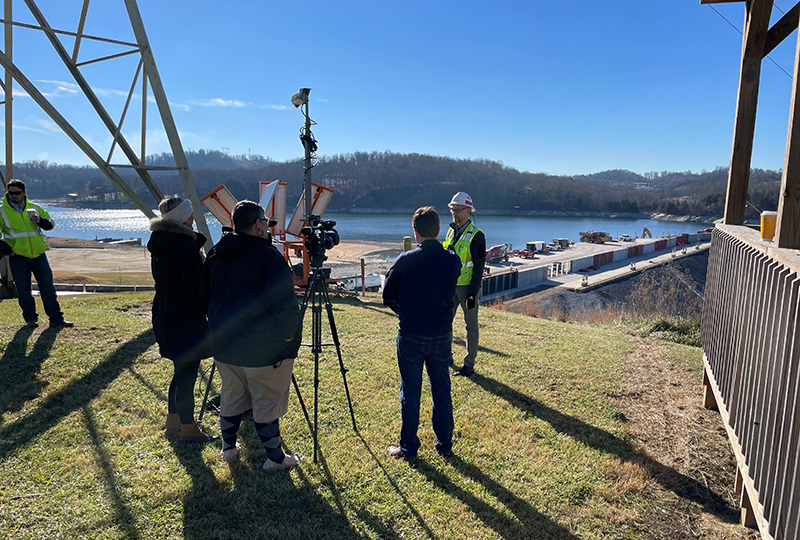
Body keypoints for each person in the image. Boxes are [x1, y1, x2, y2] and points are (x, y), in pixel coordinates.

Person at [201, 200, 303, 470]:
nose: (268, 228)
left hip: (224, 345)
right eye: (266, 222)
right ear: (258, 226)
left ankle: (229, 448)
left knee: (232, 396)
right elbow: (285, 304)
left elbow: (204, 297)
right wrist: (288, 338)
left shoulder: (215, 254)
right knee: (267, 400)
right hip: (262, 349)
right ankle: (275, 458)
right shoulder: (267, 256)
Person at [383, 206, 461, 459]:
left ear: (415, 232)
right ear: (438, 230)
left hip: (412, 333)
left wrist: (404, 310)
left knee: (411, 391)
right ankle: (445, 444)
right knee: (441, 388)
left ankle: (408, 448)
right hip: (441, 333)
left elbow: (387, 296)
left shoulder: (405, 261)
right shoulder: (452, 260)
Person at [148, 196, 216, 443]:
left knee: (180, 370)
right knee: (187, 372)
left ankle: (173, 422)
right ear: (185, 218)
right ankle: (189, 428)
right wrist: (208, 306)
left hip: (165, 311)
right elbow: (193, 288)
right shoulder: (185, 247)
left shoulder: (160, 242)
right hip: (184, 316)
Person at [0, 179, 72, 328]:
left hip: (39, 255)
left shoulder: (35, 208)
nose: (13, 195)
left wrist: (39, 221)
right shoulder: (2, 211)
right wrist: (9, 251)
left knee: (48, 288)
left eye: (17, 193)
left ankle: (56, 319)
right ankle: (31, 319)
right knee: (24, 290)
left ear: (24, 193)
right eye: (11, 193)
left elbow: (50, 224)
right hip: (18, 257)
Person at [442, 191, 485, 377]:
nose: (454, 213)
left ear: (468, 211)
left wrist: (472, 293)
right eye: (452, 210)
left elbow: (478, 267)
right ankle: (446, 356)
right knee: (444, 322)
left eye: (458, 210)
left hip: (467, 287)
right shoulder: (451, 231)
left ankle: (469, 364)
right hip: (450, 285)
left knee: (471, 326)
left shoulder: (477, 235)